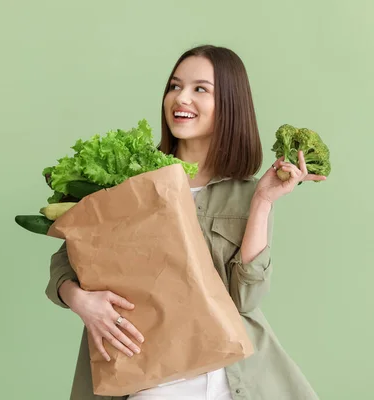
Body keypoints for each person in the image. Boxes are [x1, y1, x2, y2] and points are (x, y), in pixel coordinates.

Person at [45, 45, 323, 400]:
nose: (181, 99)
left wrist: (263, 202)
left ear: (230, 105)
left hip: (228, 378)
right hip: (149, 378)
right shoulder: (133, 179)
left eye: (200, 89)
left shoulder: (246, 194)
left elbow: (246, 298)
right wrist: (81, 301)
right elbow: (65, 261)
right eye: (174, 86)